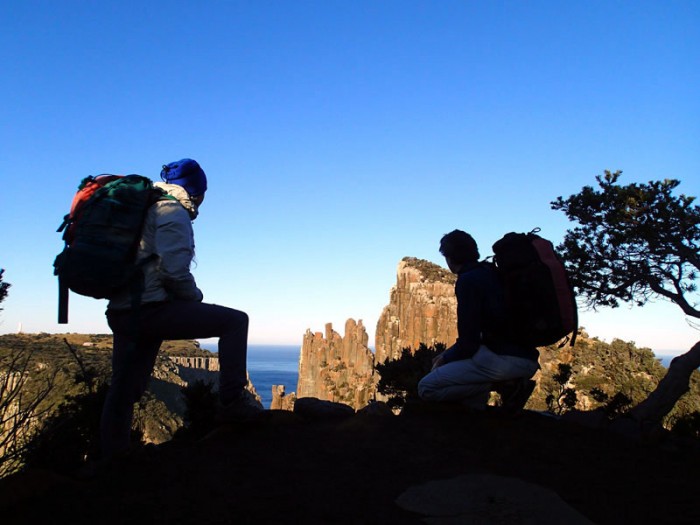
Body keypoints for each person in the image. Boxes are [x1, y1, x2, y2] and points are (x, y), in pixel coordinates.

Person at [100, 158, 262, 459]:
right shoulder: (171, 211)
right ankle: (232, 403)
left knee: (123, 388)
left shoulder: (145, 206)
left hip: (122, 312)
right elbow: (174, 273)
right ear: (196, 191)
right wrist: (194, 298)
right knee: (235, 322)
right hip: (151, 311)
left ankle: (111, 457)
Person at [417, 229, 540, 411]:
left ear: (449, 258)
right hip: (525, 357)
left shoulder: (468, 280)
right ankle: (481, 410)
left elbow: (469, 344)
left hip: (504, 361)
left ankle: (504, 386)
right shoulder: (491, 271)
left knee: (426, 387)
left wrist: (444, 358)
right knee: (468, 400)